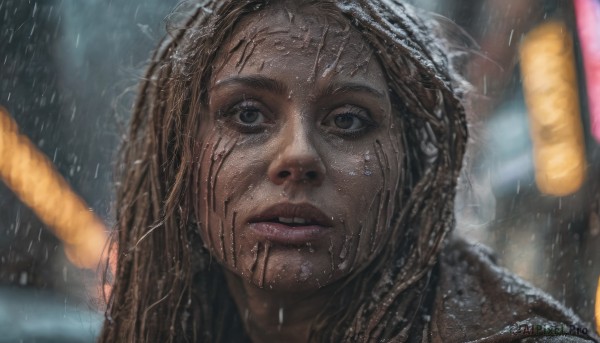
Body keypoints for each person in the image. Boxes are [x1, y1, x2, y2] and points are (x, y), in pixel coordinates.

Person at [99, 0, 599, 342]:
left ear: (412, 168)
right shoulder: (158, 322)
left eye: (347, 120)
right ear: (179, 153)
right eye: (248, 114)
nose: (297, 157)